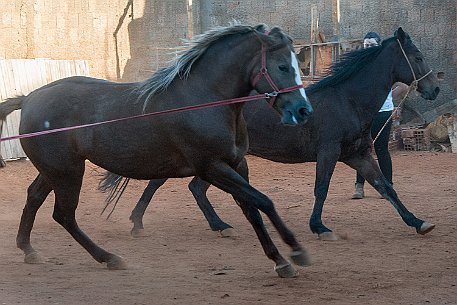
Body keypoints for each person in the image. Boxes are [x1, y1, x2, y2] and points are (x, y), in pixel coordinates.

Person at [352, 32, 409, 199]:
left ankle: (388, 185)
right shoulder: (358, 64)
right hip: (363, 113)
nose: (369, 47)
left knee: (381, 148)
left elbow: (404, 86)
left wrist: (389, 94)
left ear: (378, 46)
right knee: (361, 149)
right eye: (366, 45)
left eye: (372, 45)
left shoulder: (387, 65)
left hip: (383, 112)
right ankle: (359, 187)